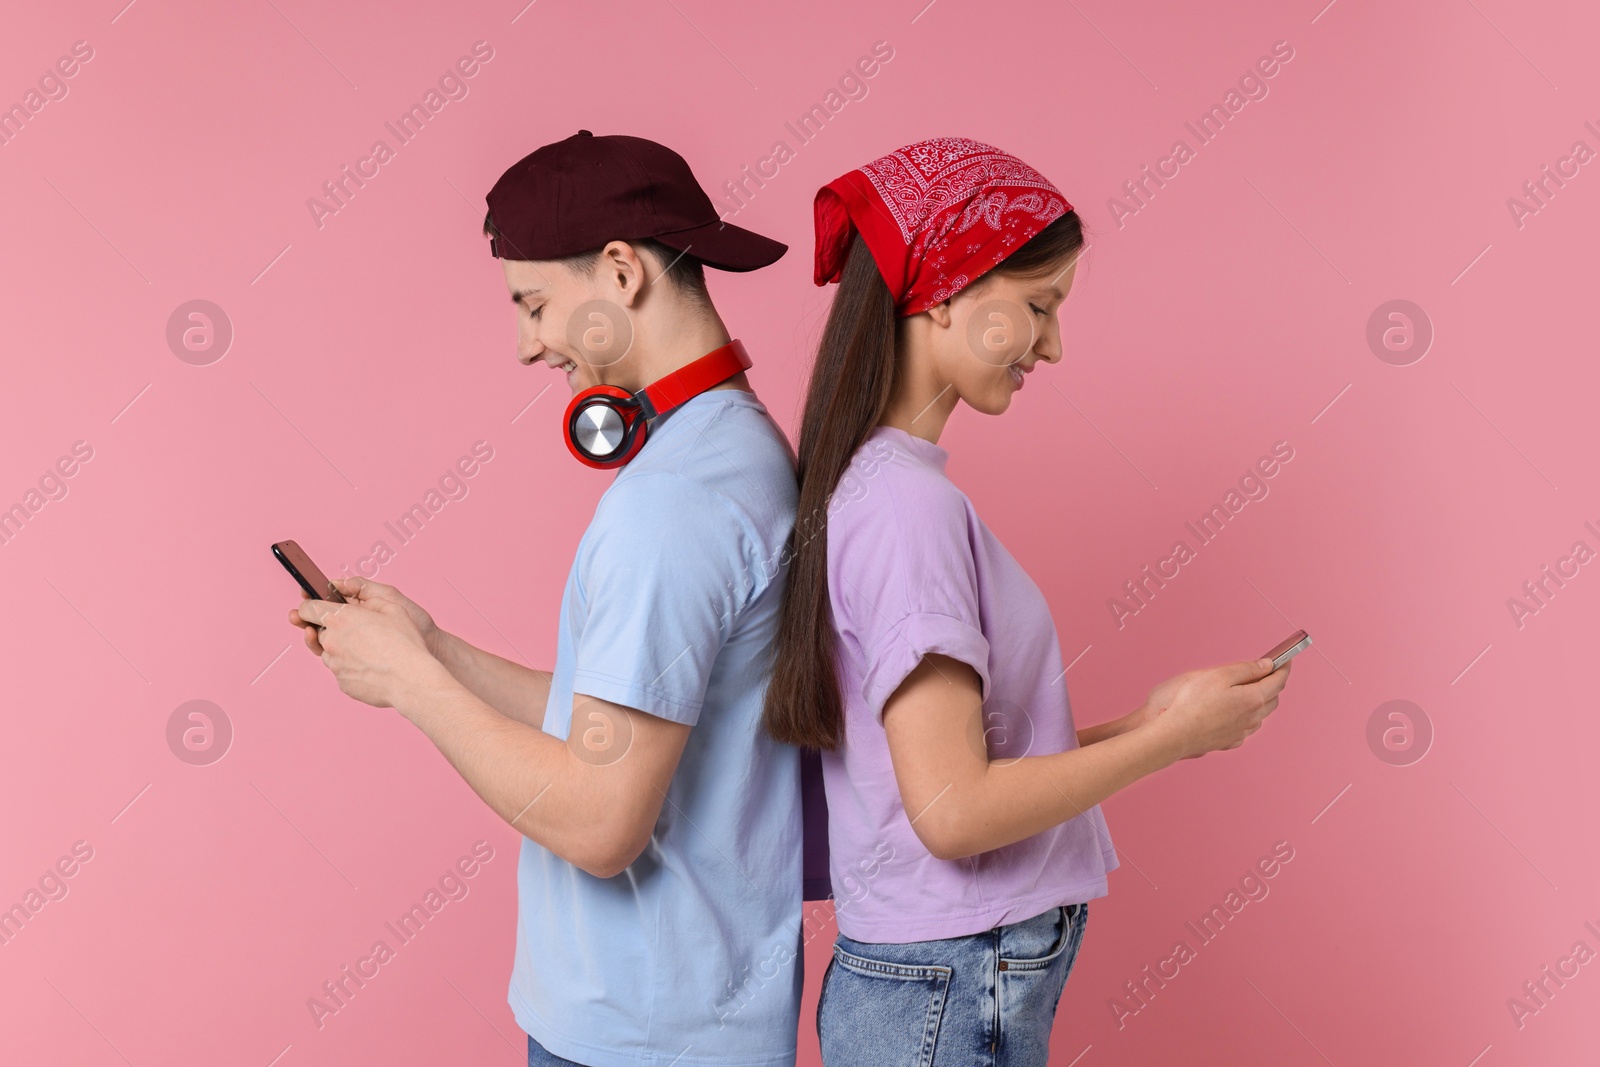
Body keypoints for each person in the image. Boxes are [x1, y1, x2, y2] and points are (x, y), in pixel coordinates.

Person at [763, 137, 1294, 1066]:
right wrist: (1173, 742)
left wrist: (1142, 723)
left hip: (937, 973)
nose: (1053, 344)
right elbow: (954, 811)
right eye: (1039, 307)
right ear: (942, 290)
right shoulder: (905, 509)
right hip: (949, 974)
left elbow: (933, 775)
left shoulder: (879, 489)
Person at [292, 130, 806, 1067]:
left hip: (642, 1037)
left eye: (534, 305)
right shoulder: (730, 452)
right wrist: (434, 645)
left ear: (620, 271)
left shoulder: (675, 505)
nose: (527, 345)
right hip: (669, 1021)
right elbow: (614, 723)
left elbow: (602, 822)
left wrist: (411, 684)